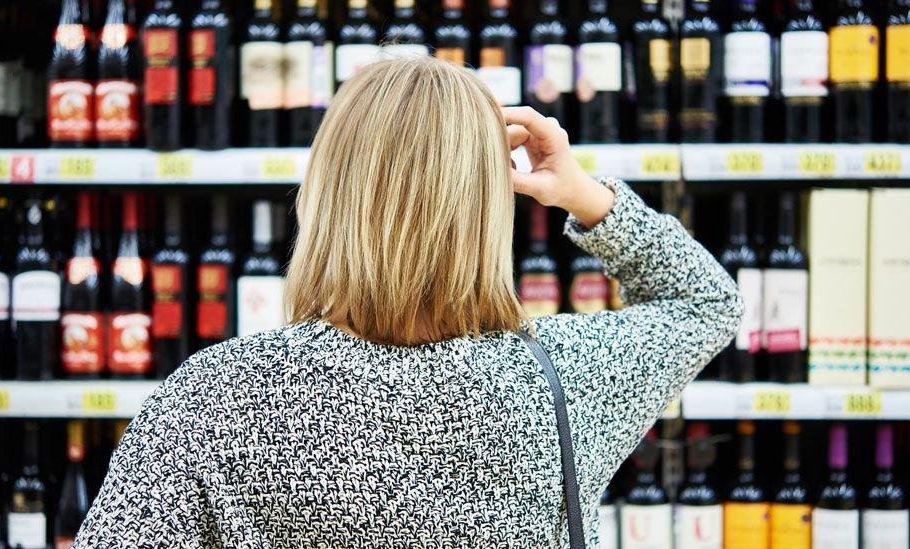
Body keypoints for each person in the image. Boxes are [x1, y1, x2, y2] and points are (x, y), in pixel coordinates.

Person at [75, 57, 742, 547]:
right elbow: (706, 301)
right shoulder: (567, 377)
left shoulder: (213, 397)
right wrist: (582, 192)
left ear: (327, 191)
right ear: (486, 205)